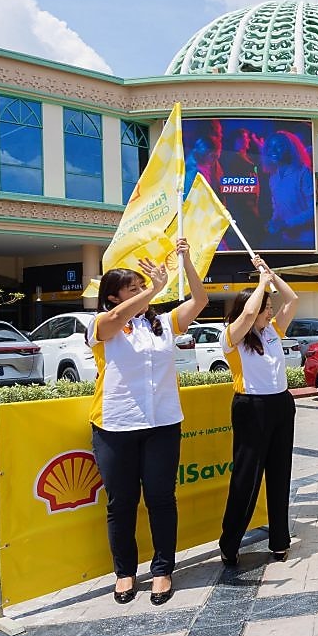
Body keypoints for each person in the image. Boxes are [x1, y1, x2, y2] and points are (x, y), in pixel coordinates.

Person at [88, 239, 207, 606]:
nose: (144, 293)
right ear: (113, 298)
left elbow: (199, 301)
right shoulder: (103, 325)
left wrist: (185, 262)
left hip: (163, 424)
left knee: (160, 498)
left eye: (144, 288)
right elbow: (114, 321)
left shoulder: (163, 324)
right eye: (133, 289)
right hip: (115, 426)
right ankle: (125, 572)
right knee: (121, 503)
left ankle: (162, 570)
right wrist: (154, 287)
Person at [218, 256, 300, 566]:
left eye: (268, 306)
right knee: (246, 479)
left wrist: (271, 275)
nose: (269, 310)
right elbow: (250, 310)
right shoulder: (231, 338)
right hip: (251, 408)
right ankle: (230, 542)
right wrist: (260, 285)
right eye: (266, 306)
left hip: (280, 405)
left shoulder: (273, 330)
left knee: (280, 476)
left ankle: (279, 540)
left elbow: (292, 299)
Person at [261, 130, 315, 249]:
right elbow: (278, 208)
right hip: (286, 240)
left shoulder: (303, 172)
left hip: (307, 241)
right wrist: (273, 221)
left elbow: (314, 211)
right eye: (270, 146)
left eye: (279, 146)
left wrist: (286, 224)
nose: (273, 150)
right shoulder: (273, 177)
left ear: (290, 149)